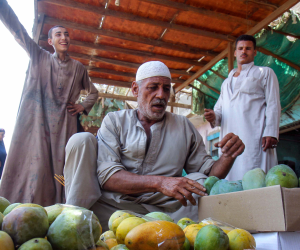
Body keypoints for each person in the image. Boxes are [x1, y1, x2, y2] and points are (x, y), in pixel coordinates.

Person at [64, 61, 245, 230]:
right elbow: (108, 177)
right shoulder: (115, 121)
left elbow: (210, 174)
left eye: (166, 89)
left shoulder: (183, 125)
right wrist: (160, 182)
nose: (161, 95)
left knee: (199, 182)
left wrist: (228, 156)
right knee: (81, 141)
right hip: (113, 209)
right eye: (153, 88)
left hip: (165, 211)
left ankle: (173, 230)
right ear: (135, 89)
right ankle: (73, 222)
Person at [0, 0, 98, 206]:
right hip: (38, 124)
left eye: (66, 34)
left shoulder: (79, 68)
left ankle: (59, 211)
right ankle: (20, 210)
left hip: (65, 125)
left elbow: (93, 93)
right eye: (58, 34)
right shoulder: (39, 57)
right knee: (35, 167)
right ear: (50, 41)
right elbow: (18, 31)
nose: (64, 37)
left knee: (62, 171)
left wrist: (82, 106)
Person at [204, 35, 281, 181]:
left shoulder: (264, 73)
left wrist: (271, 132)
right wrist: (214, 116)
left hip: (255, 138)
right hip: (230, 140)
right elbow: (220, 110)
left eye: (248, 48)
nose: (243, 51)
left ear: (255, 52)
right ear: (235, 53)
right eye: (240, 48)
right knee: (231, 179)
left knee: (256, 178)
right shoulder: (226, 83)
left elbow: (273, 103)